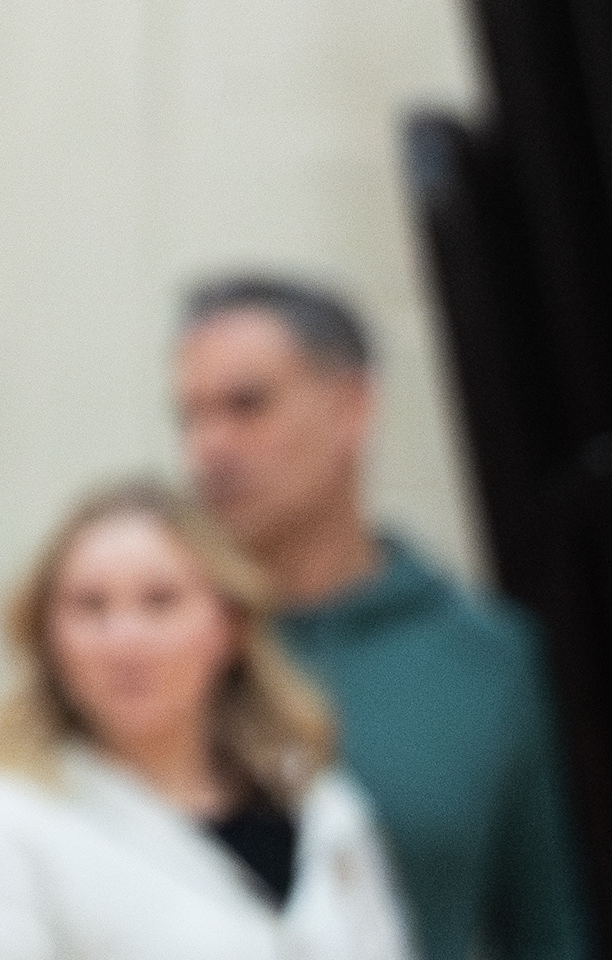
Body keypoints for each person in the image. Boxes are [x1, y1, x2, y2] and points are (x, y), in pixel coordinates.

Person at [176, 274, 589, 960]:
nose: (209, 447)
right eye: (190, 417)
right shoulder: (157, 653)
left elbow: (547, 928)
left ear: (352, 406)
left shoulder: (485, 659)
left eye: (247, 405)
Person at [0, 481, 415, 960]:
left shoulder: (320, 805)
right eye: (90, 607)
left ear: (229, 625)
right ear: (49, 640)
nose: (125, 641)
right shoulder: (0, 827)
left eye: (160, 602)